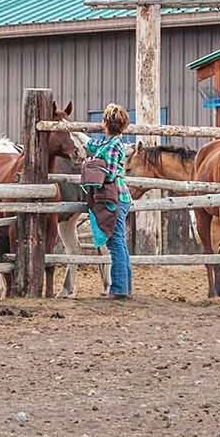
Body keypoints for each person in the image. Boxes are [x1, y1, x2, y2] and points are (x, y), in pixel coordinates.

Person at [83, 103, 134, 300]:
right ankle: (125, 286)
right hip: (119, 197)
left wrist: (92, 165)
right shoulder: (110, 143)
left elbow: (110, 173)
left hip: (115, 197)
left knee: (115, 243)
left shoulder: (113, 146)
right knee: (119, 242)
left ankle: (119, 288)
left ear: (106, 123)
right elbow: (93, 145)